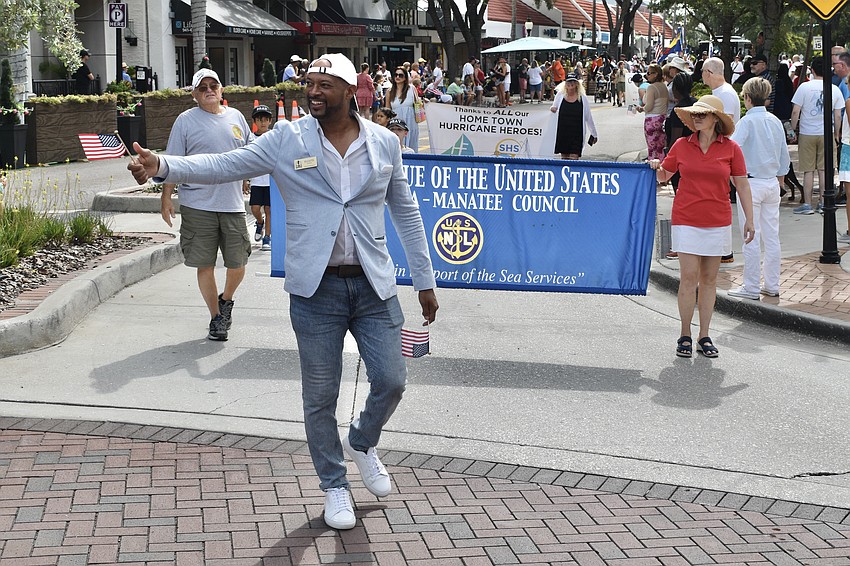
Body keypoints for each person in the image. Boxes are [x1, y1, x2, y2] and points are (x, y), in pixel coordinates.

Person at [127, 53, 439, 531]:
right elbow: (224, 163)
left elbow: (407, 212)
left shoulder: (382, 142)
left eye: (322, 85)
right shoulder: (286, 138)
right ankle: (334, 484)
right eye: (308, 83)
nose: (312, 91)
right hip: (316, 291)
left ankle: (360, 440)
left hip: (374, 285)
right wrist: (164, 166)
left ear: (348, 89)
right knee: (320, 395)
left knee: (393, 379)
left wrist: (424, 281)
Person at [649, 95, 755, 358]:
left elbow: (742, 185)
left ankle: (704, 335)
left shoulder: (731, 148)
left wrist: (750, 219)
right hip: (686, 218)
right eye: (694, 115)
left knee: (708, 281)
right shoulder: (682, 146)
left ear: (715, 120)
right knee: (688, 279)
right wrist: (655, 167)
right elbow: (664, 176)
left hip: (717, 220)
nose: (697, 118)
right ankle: (684, 333)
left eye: (702, 115)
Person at [158, 69, 252, 341]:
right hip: (198, 203)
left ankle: (226, 299)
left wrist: (247, 179)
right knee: (205, 264)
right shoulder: (185, 121)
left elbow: (250, 152)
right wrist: (166, 197)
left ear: (222, 90)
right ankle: (216, 318)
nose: (209, 90)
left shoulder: (236, 117)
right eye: (203, 87)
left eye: (214, 85)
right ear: (194, 95)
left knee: (238, 262)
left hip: (232, 203)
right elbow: (173, 161)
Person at [728, 78, 790, 300]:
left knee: (750, 235)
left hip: (750, 183)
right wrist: (780, 182)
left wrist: (734, 178)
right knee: (772, 236)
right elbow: (784, 156)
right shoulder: (775, 121)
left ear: (746, 97)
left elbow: (732, 149)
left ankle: (751, 286)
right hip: (772, 182)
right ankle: (772, 284)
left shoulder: (746, 122)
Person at [790, 56, 843, 214]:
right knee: (824, 170)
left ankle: (807, 204)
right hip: (826, 133)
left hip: (807, 132)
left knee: (808, 170)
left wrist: (793, 129)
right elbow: (838, 115)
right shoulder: (834, 89)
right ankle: (822, 202)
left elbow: (795, 111)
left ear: (812, 70)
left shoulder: (804, 88)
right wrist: (836, 133)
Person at [550, 72, 598, 160]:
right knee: (564, 158)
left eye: (573, 82)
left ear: (577, 84)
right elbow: (554, 107)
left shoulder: (582, 98)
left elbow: (588, 117)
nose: (570, 84)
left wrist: (594, 134)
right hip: (563, 132)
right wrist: (553, 108)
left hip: (577, 133)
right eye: (568, 82)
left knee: (574, 158)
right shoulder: (560, 96)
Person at [248, 105, 274, 251]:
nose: (263, 122)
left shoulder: (274, 136)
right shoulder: (250, 139)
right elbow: (246, 159)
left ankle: (267, 237)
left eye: (266, 119)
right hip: (257, 180)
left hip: (272, 180)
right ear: (255, 122)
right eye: (259, 120)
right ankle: (259, 222)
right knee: (255, 208)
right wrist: (244, 179)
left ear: (270, 121)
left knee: (269, 209)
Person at [637, 63, 668, 162]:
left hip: (652, 119)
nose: (647, 75)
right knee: (660, 147)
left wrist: (641, 109)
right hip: (662, 118)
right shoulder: (664, 86)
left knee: (652, 148)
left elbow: (649, 106)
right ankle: (662, 169)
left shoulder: (651, 87)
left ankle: (652, 170)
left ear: (655, 74)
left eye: (649, 73)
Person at [385, 67, 420, 152]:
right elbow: (387, 110)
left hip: (411, 121)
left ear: (405, 78)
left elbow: (417, 104)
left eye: (400, 75)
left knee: (411, 147)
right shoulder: (389, 92)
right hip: (396, 123)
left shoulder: (412, 89)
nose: (397, 77)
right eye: (396, 75)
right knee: (397, 147)